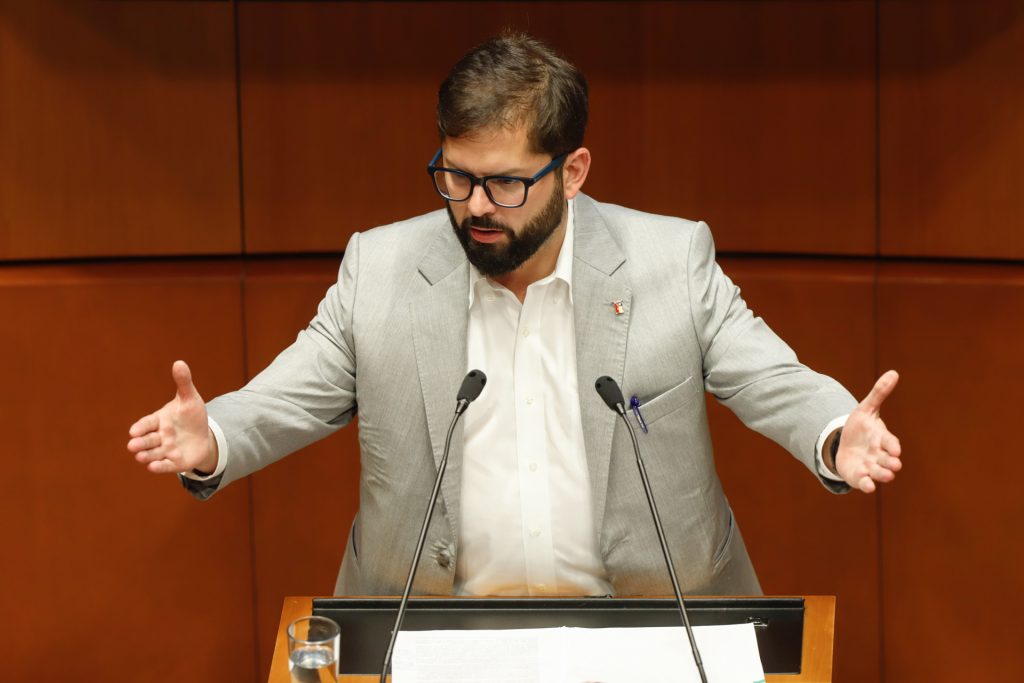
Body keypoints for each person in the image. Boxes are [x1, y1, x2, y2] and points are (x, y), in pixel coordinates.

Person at [127, 32, 902, 598]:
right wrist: (213, 435)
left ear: (573, 171)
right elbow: (289, 394)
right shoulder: (382, 269)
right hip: (434, 629)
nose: (475, 207)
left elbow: (768, 376)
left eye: (504, 184)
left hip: (651, 626)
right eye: (456, 178)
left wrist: (836, 430)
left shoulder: (670, 261)